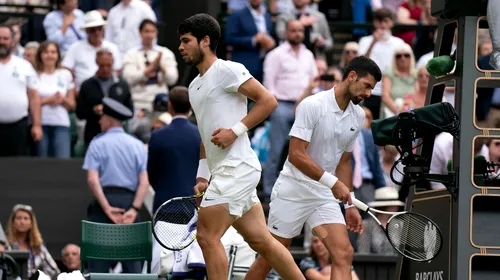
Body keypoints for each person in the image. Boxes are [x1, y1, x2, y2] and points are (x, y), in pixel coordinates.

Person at [177, 13, 306, 280]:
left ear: (205, 41)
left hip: (237, 169)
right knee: (263, 243)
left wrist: (234, 132)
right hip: (226, 173)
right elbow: (205, 135)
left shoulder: (228, 69)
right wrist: (202, 176)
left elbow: (268, 101)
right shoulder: (193, 86)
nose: (180, 47)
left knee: (206, 236)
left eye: (186, 41)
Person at [245, 56, 382, 280]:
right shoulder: (312, 105)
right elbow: (296, 155)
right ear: (352, 76)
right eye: (366, 86)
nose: (368, 94)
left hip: (323, 195)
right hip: (293, 189)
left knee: (343, 253)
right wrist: (333, 182)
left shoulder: (357, 116)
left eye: (372, 89)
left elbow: (344, 162)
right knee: (271, 257)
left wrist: (350, 205)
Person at [83, 97, 149, 273]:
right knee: (133, 267)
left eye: (102, 117)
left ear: (109, 119)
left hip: (104, 205)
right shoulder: (137, 145)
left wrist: (106, 208)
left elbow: (92, 179)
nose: (99, 120)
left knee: (98, 267)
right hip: (129, 206)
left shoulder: (97, 143)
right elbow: (144, 182)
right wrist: (134, 210)